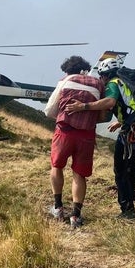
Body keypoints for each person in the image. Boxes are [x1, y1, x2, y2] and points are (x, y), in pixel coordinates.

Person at [65, 57, 135, 219]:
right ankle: (131, 194)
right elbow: (133, 105)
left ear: (105, 74)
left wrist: (83, 106)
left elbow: (110, 101)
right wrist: (121, 121)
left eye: (101, 76)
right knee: (131, 161)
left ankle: (127, 209)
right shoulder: (129, 81)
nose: (101, 80)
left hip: (133, 130)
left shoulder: (114, 83)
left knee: (120, 169)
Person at [43, 56, 105, 228]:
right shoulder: (98, 83)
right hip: (86, 134)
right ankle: (76, 216)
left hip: (64, 131)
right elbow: (103, 114)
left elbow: (49, 110)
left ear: (69, 70)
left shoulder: (66, 80)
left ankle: (58, 207)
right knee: (79, 174)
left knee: (57, 166)